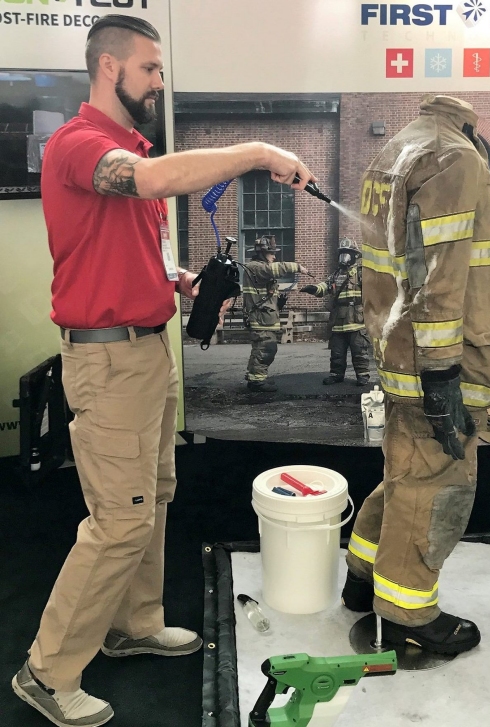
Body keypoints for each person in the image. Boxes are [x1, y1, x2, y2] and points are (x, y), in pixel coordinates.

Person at [11, 14, 315, 727]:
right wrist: (257, 149)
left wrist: (178, 280)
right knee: (119, 519)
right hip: (108, 362)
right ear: (111, 68)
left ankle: (133, 623)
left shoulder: (127, 148)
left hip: (147, 350)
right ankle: (46, 670)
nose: (157, 82)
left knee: (154, 493)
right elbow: (146, 181)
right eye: (151, 68)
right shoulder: (80, 145)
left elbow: (122, 242)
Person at [341, 95, 490, 655]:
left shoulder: (396, 150)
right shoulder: (455, 158)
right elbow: (441, 277)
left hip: (398, 346)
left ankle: (363, 575)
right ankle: (408, 616)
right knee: (439, 483)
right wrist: (443, 377)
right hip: (447, 360)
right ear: (469, 119)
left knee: (407, 471)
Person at [300, 237, 370, 387]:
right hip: (338, 320)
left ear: (354, 255)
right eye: (342, 253)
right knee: (337, 352)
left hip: (356, 320)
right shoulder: (336, 274)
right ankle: (336, 375)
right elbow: (324, 286)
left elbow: (373, 291)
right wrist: (314, 289)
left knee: (359, 351)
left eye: (347, 253)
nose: (344, 257)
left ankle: (363, 376)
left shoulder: (361, 273)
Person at [243, 235, 308, 392]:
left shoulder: (259, 269)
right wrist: (298, 267)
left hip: (265, 317)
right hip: (261, 319)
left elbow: (265, 292)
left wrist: (278, 302)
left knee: (262, 348)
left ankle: (254, 377)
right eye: (271, 253)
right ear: (262, 253)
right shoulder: (255, 267)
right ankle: (257, 382)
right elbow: (277, 269)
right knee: (266, 348)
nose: (274, 256)